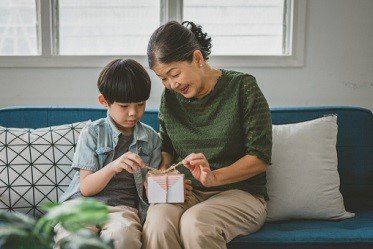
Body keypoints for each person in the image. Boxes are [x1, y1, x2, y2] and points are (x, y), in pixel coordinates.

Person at [142, 21, 273, 249]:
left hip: (241, 194)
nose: (171, 84)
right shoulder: (170, 98)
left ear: (197, 58)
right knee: (156, 223)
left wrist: (214, 177)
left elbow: (259, 159)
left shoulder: (242, 87)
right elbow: (167, 151)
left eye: (174, 73)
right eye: (163, 78)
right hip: (188, 192)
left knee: (195, 224)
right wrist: (159, 177)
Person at [56, 59, 162, 249]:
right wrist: (114, 166)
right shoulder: (92, 133)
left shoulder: (151, 139)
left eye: (140, 104)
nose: (133, 113)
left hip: (123, 209)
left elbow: (150, 190)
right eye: (124, 106)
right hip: (82, 205)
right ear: (104, 101)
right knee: (74, 238)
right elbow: (86, 188)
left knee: (123, 238)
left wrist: (159, 180)